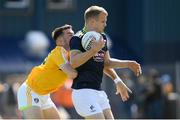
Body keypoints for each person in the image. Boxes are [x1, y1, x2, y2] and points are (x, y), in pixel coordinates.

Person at [70, 6, 142, 119]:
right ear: (92, 22)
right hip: (83, 92)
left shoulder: (102, 38)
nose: (105, 24)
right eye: (103, 21)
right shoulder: (77, 38)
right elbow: (73, 62)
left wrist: (125, 67)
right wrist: (93, 50)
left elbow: (106, 63)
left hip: (98, 92)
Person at [17, 24, 77, 119]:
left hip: (44, 95)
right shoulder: (59, 52)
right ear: (61, 41)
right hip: (31, 91)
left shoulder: (72, 54)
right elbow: (72, 74)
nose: (74, 37)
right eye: (69, 35)